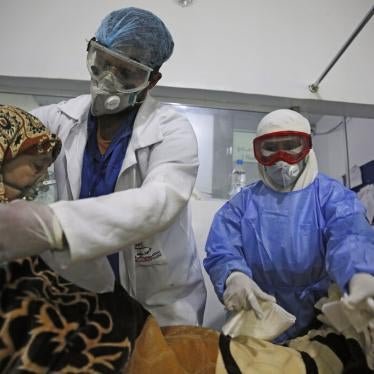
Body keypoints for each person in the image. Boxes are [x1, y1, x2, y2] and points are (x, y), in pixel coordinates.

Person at [0, 7, 206, 327]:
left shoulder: (172, 131)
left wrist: (54, 224)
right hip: (80, 291)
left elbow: (160, 200)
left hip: (160, 300)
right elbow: (12, 131)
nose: (108, 79)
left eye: (127, 72)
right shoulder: (57, 119)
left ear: (152, 80)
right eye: (102, 62)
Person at [204, 109, 374, 344]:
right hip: (259, 319)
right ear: (258, 152)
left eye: (291, 146)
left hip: (321, 322)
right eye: (270, 149)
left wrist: (360, 273)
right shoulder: (241, 205)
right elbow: (222, 251)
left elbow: (350, 235)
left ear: (307, 148)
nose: (281, 158)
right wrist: (233, 276)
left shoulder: (331, 196)